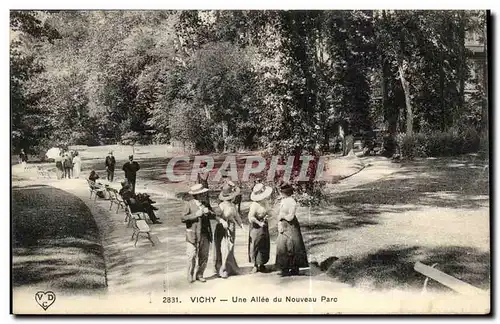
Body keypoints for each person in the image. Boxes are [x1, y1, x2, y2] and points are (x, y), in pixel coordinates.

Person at [181, 184, 216, 283]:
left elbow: (213, 215)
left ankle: (200, 274)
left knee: (204, 255)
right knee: (191, 255)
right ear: (196, 195)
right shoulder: (188, 204)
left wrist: (208, 212)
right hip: (192, 234)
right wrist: (195, 215)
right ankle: (190, 274)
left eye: (203, 193)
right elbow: (183, 218)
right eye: (201, 194)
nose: (203, 195)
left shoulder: (205, 203)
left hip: (205, 234)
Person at [275, 183, 309, 277]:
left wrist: (282, 216)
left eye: (282, 192)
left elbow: (290, 217)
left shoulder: (292, 202)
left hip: (291, 226)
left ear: (286, 192)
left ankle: (294, 268)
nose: (281, 193)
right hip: (284, 225)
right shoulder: (283, 200)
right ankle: (285, 268)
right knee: (282, 246)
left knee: (293, 245)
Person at [214, 184, 243, 279]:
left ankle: (230, 267)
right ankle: (222, 269)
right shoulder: (221, 206)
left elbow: (237, 216)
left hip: (231, 227)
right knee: (223, 248)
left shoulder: (233, 205)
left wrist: (241, 225)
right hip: (222, 228)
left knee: (230, 248)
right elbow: (216, 216)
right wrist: (222, 221)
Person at [247, 183, 273, 273]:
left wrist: (270, 215)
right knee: (255, 244)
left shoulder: (265, 202)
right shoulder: (254, 205)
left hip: (264, 225)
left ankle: (262, 264)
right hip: (256, 226)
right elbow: (251, 217)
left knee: (264, 243)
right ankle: (255, 265)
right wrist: (259, 222)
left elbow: (269, 211)